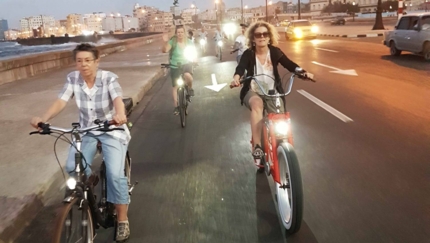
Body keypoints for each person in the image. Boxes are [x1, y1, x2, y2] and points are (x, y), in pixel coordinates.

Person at [30, 43, 131, 241]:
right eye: (79, 61)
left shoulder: (108, 78)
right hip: (86, 131)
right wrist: (43, 118)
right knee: (71, 167)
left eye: (88, 60)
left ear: (96, 61)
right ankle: (88, 183)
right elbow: (61, 100)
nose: (83, 65)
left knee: (114, 175)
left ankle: (122, 220)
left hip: (111, 130)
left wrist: (120, 114)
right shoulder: (73, 78)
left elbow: (118, 99)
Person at [230, 21, 309, 159]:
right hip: (253, 90)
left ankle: (284, 149)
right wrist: (237, 78)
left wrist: (301, 71)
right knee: (257, 104)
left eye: (265, 34)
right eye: (258, 34)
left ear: (269, 37)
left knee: (281, 122)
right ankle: (257, 146)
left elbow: (289, 64)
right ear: (253, 38)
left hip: (273, 92)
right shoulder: (248, 54)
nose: (262, 37)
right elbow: (240, 68)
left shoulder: (274, 52)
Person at [162, 25, 195, 115]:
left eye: (181, 32)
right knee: (175, 86)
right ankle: (176, 106)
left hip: (186, 64)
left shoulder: (188, 42)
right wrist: (165, 42)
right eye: (178, 32)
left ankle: (189, 90)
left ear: (184, 33)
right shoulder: (172, 41)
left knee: (188, 76)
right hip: (174, 66)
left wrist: (195, 60)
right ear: (176, 33)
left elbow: (193, 52)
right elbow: (165, 50)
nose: (180, 34)